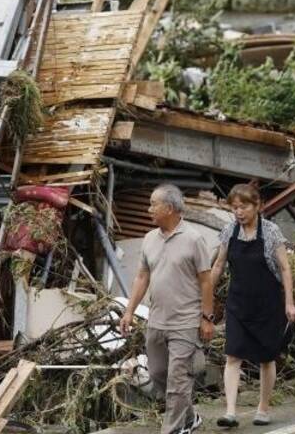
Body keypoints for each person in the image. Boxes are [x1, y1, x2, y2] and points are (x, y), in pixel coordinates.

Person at [119, 183, 215, 434]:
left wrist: (206, 318)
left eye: (153, 204)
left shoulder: (194, 239)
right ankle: (190, 418)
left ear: (169, 208)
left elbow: (206, 281)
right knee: (159, 372)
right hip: (157, 320)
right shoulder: (150, 239)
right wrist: (129, 311)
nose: (149, 209)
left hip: (185, 321)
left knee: (177, 379)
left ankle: (170, 430)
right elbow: (142, 277)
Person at [211, 184, 295, 428]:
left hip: (267, 304)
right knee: (232, 355)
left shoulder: (271, 231)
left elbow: (284, 268)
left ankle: (263, 408)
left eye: (244, 206)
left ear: (257, 206)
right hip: (238, 303)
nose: (239, 212)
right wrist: (204, 296)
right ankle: (230, 412)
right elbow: (218, 265)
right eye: (235, 207)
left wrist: (289, 303)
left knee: (266, 358)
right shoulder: (229, 231)